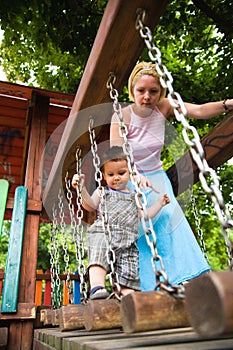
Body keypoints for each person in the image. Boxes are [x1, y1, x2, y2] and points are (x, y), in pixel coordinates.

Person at [110, 61, 233, 291]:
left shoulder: (164, 107)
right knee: (143, 228)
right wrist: (134, 176)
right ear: (132, 90)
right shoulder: (122, 116)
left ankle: (185, 279)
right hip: (132, 178)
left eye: (153, 91)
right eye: (141, 91)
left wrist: (228, 104)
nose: (147, 97)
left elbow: (199, 110)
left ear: (161, 92)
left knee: (170, 222)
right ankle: (147, 287)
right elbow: (117, 154)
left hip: (157, 176)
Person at [72, 146, 170, 299]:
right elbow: (89, 205)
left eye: (121, 173)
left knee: (129, 267)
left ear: (130, 173)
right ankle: (97, 287)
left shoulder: (134, 195)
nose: (116, 177)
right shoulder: (102, 192)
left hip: (128, 239)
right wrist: (81, 189)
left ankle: (127, 295)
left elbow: (144, 215)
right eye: (110, 174)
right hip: (105, 233)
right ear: (103, 175)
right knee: (98, 255)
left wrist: (159, 204)